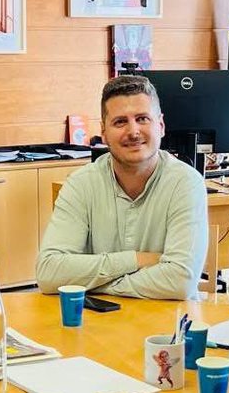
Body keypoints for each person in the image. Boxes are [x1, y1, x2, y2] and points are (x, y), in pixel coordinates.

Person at [37, 74, 208, 299]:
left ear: (161, 125)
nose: (133, 131)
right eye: (120, 122)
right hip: (97, 324)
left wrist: (96, 285)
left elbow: (180, 281)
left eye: (142, 119)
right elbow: (49, 273)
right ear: (104, 133)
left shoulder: (186, 183)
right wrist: (136, 259)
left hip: (166, 327)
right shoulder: (81, 184)